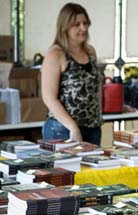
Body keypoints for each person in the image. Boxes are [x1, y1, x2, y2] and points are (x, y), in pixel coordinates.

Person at [41, 3, 103, 145]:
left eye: (85, 23)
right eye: (77, 24)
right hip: (62, 129)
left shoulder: (90, 52)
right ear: (65, 27)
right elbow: (48, 98)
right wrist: (72, 127)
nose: (83, 28)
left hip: (93, 128)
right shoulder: (55, 54)